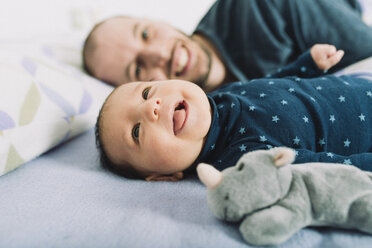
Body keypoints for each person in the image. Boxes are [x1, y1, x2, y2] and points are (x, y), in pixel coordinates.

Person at [95, 44, 372, 181]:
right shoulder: (240, 162)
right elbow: (321, 168)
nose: (150, 107)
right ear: (163, 177)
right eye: (136, 131)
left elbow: (274, 83)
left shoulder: (219, 95)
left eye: (146, 92)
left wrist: (308, 64)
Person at [83, 0, 372, 91]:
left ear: (156, 20)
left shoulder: (262, 7)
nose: (160, 54)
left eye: (145, 34)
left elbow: (366, 50)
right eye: (137, 69)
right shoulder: (196, 123)